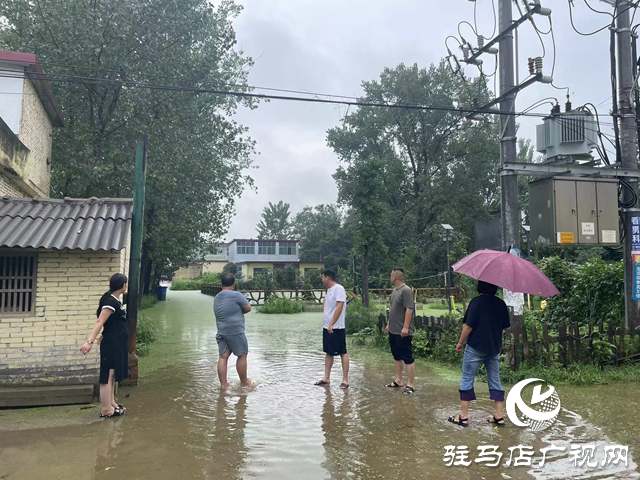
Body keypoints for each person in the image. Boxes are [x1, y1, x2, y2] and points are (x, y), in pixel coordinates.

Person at [448, 280, 511, 427]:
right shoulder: (500, 304)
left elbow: (468, 327)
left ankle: (463, 417)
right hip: (494, 348)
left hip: (475, 347)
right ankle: (499, 416)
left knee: (467, 378)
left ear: (480, 286)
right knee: (495, 380)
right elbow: (506, 327)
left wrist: (460, 343)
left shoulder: (476, 302)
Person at [81, 273, 129, 419]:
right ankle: (106, 409)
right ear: (123, 286)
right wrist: (89, 341)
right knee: (107, 375)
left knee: (112, 375)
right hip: (112, 344)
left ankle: (112, 402)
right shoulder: (110, 302)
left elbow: (111, 323)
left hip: (116, 342)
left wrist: (105, 333)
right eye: (126, 284)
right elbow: (100, 322)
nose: (126, 286)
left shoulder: (115, 300)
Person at [214, 275, 252, 389]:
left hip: (221, 330)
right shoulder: (236, 295)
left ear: (221, 285)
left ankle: (224, 385)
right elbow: (248, 308)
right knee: (242, 355)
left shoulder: (217, 296)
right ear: (234, 284)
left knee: (223, 356)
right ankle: (244, 382)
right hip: (235, 330)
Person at [314, 270, 349, 389]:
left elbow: (340, 306)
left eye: (322, 277)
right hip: (327, 326)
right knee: (328, 352)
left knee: (342, 352)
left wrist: (332, 323)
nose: (321, 279)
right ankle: (326, 377)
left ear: (327, 278)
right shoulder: (329, 290)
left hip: (337, 327)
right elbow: (327, 303)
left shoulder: (339, 288)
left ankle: (345, 380)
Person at [385, 268, 416, 394]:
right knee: (397, 356)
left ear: (396, 277)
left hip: (403, 331)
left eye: (391, 275)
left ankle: (411, 385)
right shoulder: (394, 291)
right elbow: (392, 309)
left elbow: (409, 309)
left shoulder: (406, 290)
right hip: (393, 330)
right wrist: (388, 324)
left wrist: (405, 327)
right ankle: (398, 380)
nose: (390, 278)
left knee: (407, 357)